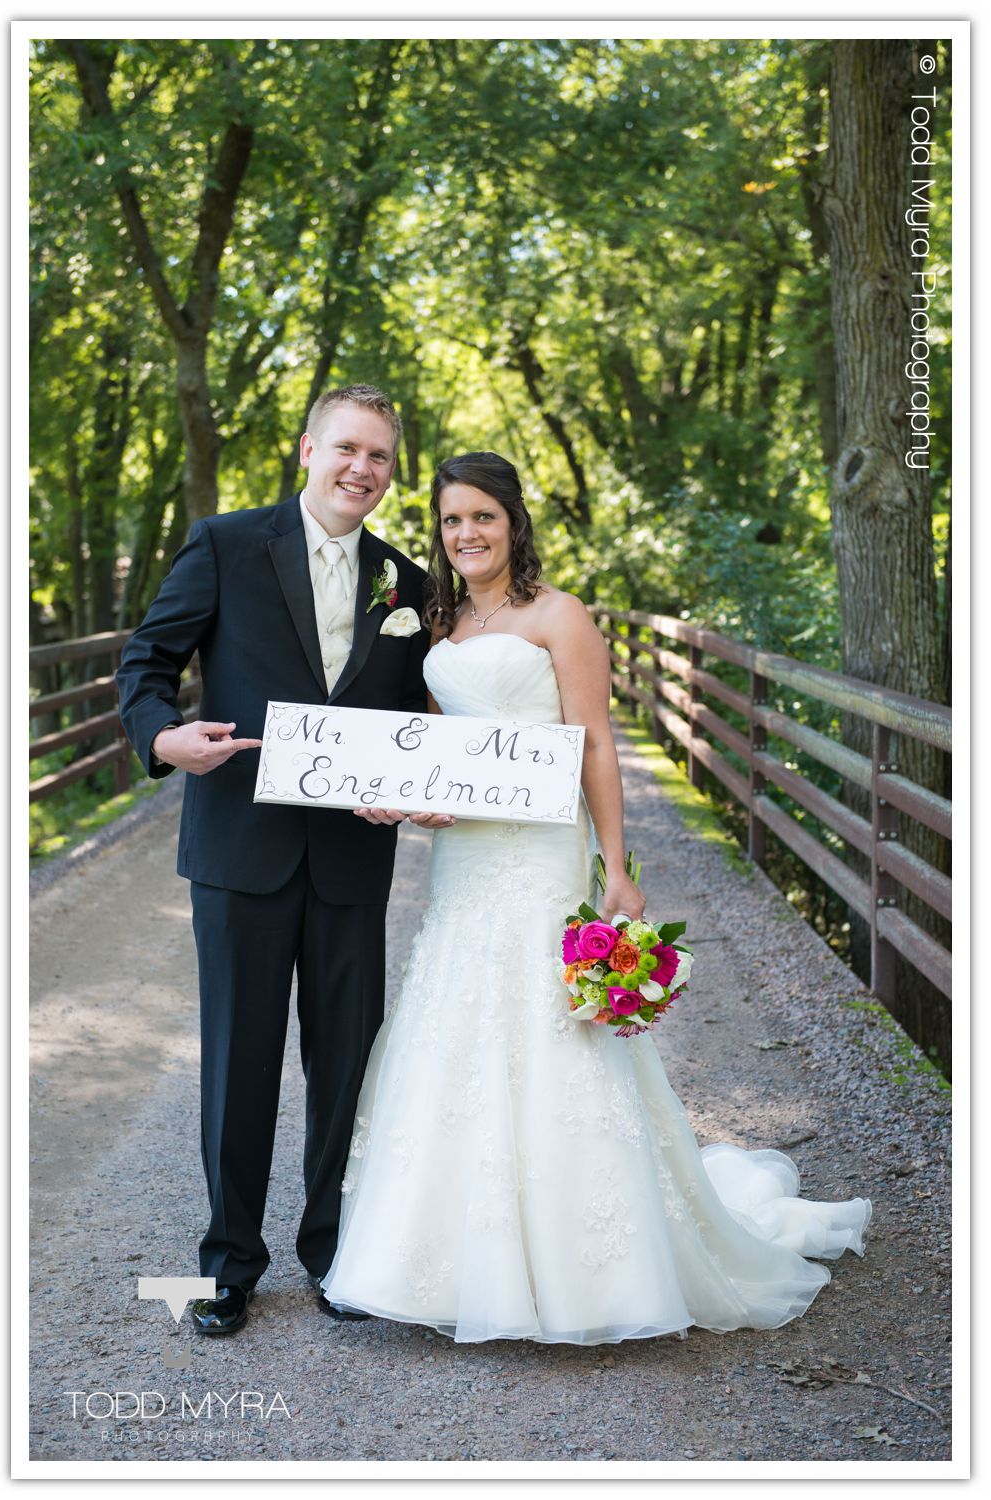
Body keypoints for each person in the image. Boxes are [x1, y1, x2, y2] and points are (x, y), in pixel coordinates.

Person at [322, 451, 872, 1344]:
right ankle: (440, 1262)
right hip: (464, 857)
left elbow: (595, 747)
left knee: (549, 1025)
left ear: (513, 522)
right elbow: (435, 744)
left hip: (542, 854)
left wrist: (617, 868)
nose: (466, 534)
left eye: (483, 518)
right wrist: (416, 800)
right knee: (455, 1020)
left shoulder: (559, 615)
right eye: (452, 519)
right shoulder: (434, 621)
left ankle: (594, 1269)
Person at [117, 384, 438, 1335]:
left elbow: (419, 721)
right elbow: (145, 661)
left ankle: (333, 1252)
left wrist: (425, 783)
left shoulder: (407, 585)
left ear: (390, 470)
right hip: (239, 848)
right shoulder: (225, 543)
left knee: (343, 1064)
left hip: (350, 857)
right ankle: (228, 1264)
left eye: (379, 456)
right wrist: (162, 740)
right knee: (239, 1061)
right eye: (346, 448)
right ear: (307, 450)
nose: (360, 469)